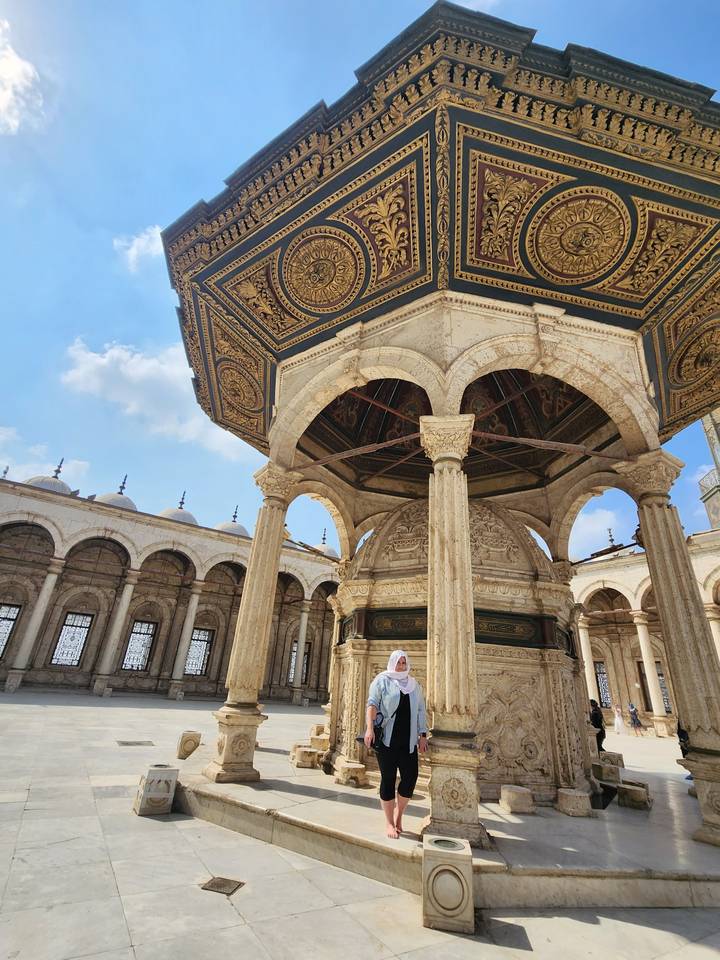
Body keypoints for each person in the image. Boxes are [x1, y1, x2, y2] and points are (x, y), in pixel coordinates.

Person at [365, 649, 428, 839]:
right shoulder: (382, 680)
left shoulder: (414, 685)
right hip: (387, 740)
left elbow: (420, 711)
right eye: (398, 662)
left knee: (410, 778)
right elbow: (372, 704)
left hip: (408, 741)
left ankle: (399, 816)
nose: (401, 666)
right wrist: (369, 729)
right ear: (392, 663)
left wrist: (422, 734)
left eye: (403, 663)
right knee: (388, 779)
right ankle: (389, 823)